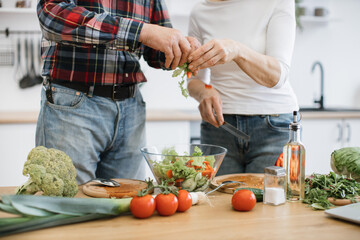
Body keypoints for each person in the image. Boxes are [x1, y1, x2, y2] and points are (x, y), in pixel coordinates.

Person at [36, 0, 199, 184]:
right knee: (70, 204)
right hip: (73, 104)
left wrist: (182, 48)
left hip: (131, 109)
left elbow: (156, 51)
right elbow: (52, 16)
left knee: (127, 205)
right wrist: (142, 31)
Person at [186, 0, 299, 175]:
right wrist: (204, 91)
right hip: (219, 128)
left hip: (273, 128)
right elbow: (193, 81)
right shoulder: (200, 12)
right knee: (217, 201)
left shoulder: (277, 2)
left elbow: (277, 76)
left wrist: (237, 50)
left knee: (270, 201)